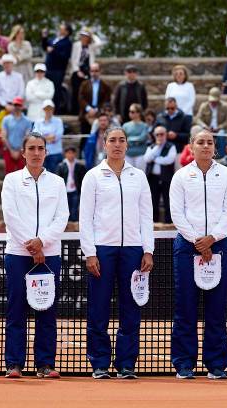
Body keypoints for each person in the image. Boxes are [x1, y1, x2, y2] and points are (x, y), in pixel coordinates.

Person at [80, 126, 154, 380]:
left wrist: (148, 250)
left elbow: (146, 215)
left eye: (122, 140)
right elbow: (85, 217)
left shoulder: (139, 176)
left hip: (133, 250)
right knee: (98, 308)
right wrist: (90, 252)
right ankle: (99, 363)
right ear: (104, 144)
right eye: (112, 140)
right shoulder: (93, 176)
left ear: (127, 145)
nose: (117, 144)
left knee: (131, 309)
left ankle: (126, 364)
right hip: (102, 249)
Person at [169, 129, 227, 380]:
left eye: (210, 142)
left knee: (216, 308)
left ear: (214, 147)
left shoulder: (226, 174)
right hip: (187, 246)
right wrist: (198, 241)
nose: (206, 146)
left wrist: (212, 238)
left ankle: (216, 364)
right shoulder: (181, 176)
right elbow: (177, 213)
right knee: (185, 307)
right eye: (201, 142)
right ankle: (184, 363)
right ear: (192, 146)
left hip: (219, 245)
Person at [1, 131, 69, 379]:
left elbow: (62, 217)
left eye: (41, 148)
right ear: (23, 152)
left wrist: (43, 243)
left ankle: (45, 364)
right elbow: (10, 215)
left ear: (46, 152)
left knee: (47, 309)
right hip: (18, 253)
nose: (36, 153)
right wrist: (31, 245)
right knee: (16, 308)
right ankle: (14, 363)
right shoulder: (11, 180)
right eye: (32, 148)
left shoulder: (57, 182)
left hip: (49, 254)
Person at [143, 125, 176, 223]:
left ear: (165, 135)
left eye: (162, 134)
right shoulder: (152, 146)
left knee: (168, 201)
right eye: (157, 134)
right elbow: (147, 159)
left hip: (166, 177)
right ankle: (154, 222)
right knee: (153, 201)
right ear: (154, 135)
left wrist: (155, 159)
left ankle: (168, 222)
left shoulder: (171, 146)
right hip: (153, 178)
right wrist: (157, 147)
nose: (160, 136)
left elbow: (169, 160)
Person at [70, 28, 102, 115]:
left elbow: (99, 43)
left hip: (88, 72)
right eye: (82, 36)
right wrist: (77, 71)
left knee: (87, 92)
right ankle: (74, 111)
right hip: (77, 71)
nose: (84, 38)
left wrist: (92, 34)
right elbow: (73, 59)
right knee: (76, 92)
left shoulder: (91, 46)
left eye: (86, 36)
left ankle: (85, 110)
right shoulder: (76, 45)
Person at [41, 23, 72, 114]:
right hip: (48, 68)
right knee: (46, 88)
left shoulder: (67, 43)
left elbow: (65, 57)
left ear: (66, 32)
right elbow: (45, 47)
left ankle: (56, 111)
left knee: (56, 90)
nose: (60, 29)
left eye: (62, 28)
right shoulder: (54, 39)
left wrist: (53, 51)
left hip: (58, 70)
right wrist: (44, 38)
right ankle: (45, 109)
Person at [194, 87, 227, 158]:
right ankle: (199, 155)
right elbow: (198, 119)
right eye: (212, 101)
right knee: (197, 131)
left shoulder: (225, 106)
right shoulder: (204, 106)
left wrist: (219, 127)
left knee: (221, 135)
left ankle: (220, 157)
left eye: (215, 101)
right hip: (206, 128)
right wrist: (205, 126)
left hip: (220, 129)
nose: (213, 102)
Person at [1, 96, 32, 174]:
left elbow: (27, 137)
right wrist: (11, 150)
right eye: (15, 105)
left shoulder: (28, 121)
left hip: (22, 151)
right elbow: (3, 137)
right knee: (8, 175)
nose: (17, 107)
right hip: (9, 150)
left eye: (19, 105)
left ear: (22, 107)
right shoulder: (6, 119)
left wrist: (19, 150)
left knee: (23, 175)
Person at [79, 63, 112, 135]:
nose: (94, 73)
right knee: (85, 137)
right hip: (86, 114)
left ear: (100, 71)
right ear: (90, 72)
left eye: (96, 71)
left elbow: (106, 100)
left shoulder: (105, 85)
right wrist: (88, 109)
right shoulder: (84, 84)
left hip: (100, 113)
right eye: (92, 71)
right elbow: (80, 98)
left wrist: (96, 109)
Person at [32, 100, 64, 173]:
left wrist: (43, 137)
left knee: (56, 176)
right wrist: (49, 137)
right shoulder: (38, 122)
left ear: (53, 109)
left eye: (50, 108)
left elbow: (58, 135)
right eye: (46, 108)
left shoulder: (58, 121)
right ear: (43, 109)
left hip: (55, 152)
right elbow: (36, 136)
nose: (48, 110)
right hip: (41, 153)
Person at [56, 146, 86, 222]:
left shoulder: (80, 166)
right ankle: (66, 224)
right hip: (65, 190)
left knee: (74, 208)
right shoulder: (61, 166)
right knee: (65, 208)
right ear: (65, 154)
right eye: (68, 153)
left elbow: (83, 179)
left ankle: (74, 224)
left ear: (75, 154)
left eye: (72, 153)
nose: (71, 155)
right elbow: (58, 179)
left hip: (75, 189)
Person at [123, 103, 149, 169]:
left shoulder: (144, 126)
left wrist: (129, 140)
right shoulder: (125, 125)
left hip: (140, 154)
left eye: (132, 112)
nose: (130, 113)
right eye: (130, 111)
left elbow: (142, 138)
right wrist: (136, 141)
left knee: (140, 176)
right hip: (128, 154)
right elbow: (123, 139)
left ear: (138, 113)